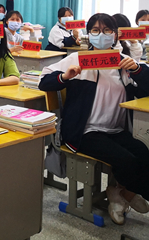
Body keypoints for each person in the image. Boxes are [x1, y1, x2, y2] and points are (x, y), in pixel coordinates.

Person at [39, 13, 149, 225]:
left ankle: (121, 194)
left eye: (107, 30)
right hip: (85, 131)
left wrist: (136, 70)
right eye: (96, 31)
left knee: (144, 153)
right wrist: (65, 77)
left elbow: (145, 90)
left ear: (115, 35)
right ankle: (126, 193)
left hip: (115, 129)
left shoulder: (122, 62)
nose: (102, 35)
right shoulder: (77, 59)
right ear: (88, 34)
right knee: (127, 160)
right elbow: (44, 81)